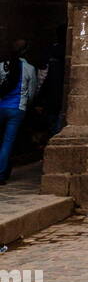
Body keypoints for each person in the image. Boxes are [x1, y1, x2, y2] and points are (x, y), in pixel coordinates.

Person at [0, 41, 38, 184]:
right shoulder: (29, 68)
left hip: (1, 105)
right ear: (26, 51)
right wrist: (27, 107)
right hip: (17, 108)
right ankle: (1, 173)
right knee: (7, 142)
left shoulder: (2, 66)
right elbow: (32, 92)